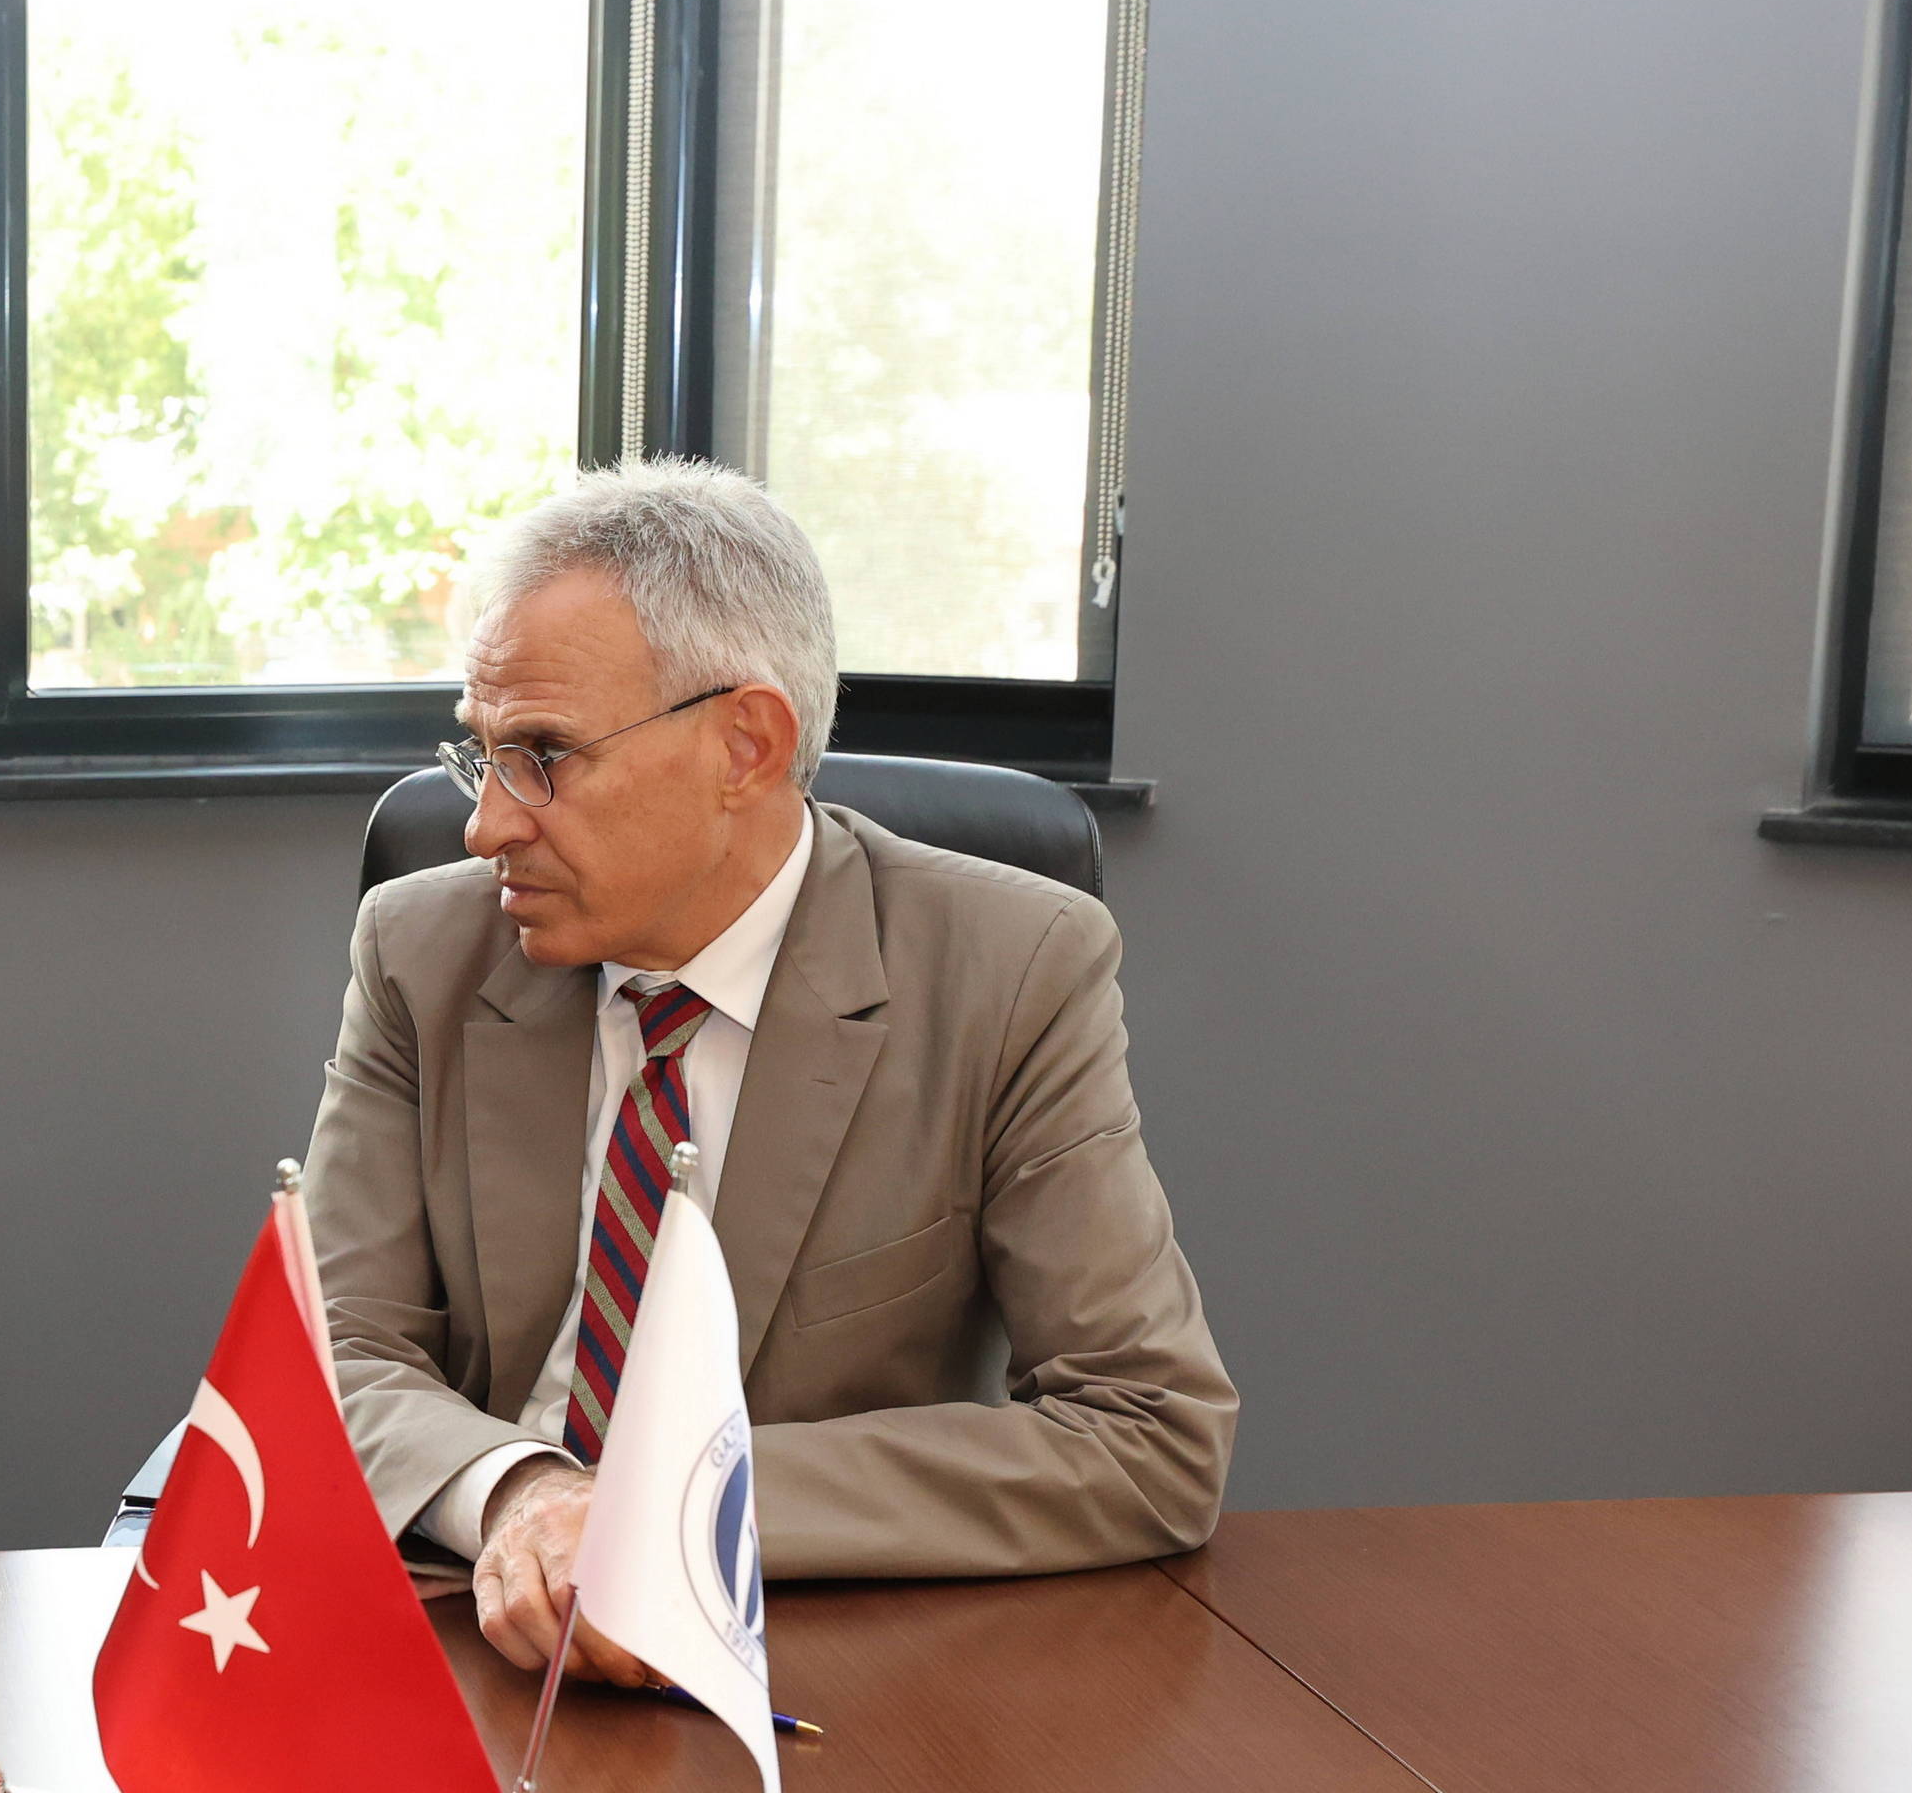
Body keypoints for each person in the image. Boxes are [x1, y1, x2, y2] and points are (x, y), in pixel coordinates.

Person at [301, 459, 1234, 1681]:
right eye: (480, 754)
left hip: (814, 1656)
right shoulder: (422, 949)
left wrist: (676, 1512)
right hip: (471, 1615)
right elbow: (331, 1357)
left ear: (745, 745)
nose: (485, 826)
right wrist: (522, 1494)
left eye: (543, 754)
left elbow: (1147, 1432)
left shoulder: (1010, 969)